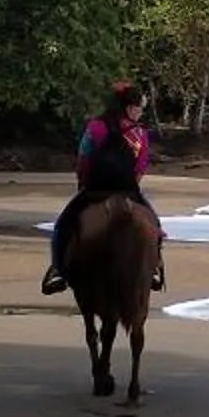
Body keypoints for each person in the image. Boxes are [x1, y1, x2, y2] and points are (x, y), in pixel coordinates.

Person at [42, 81, 161, 295]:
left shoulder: (95, 127)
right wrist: (130, 187)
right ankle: (155, 267)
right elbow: (140, 168)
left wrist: (84, 184)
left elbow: (84, 159)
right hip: (127, 190)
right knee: (155, 226)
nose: (140, 113)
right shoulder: (139, 134)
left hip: (95, 189)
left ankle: (58, 269)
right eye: (139, 108)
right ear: (129, 108)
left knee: (63, 226)